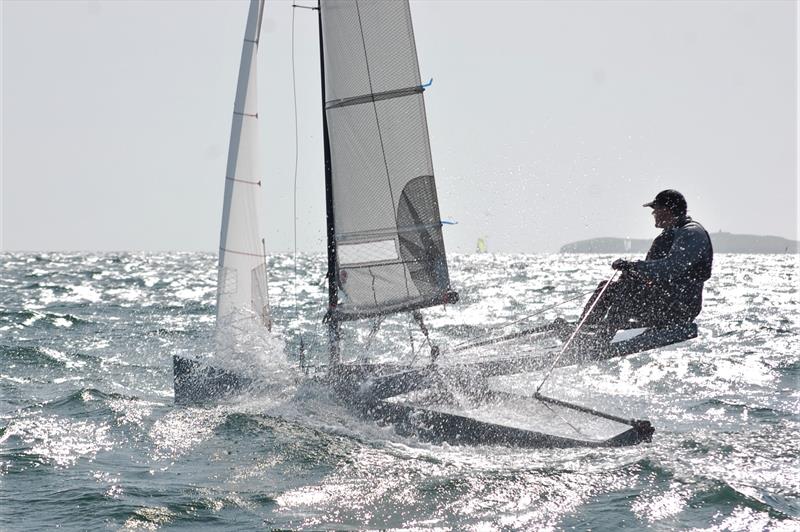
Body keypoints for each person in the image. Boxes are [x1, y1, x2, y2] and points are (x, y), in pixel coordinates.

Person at [575, 189, 713, 335]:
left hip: (681, 309)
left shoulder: (691, 233)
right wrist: (629, 273)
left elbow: (671, 267)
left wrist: (634, 266)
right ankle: (583, 329)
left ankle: (601, 339)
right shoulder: (664, 238)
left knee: (627, 292)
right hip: (660, 302)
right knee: (609, 287)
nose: (653, 214)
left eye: (655, 210)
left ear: (667, 210)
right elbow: (648, 275)